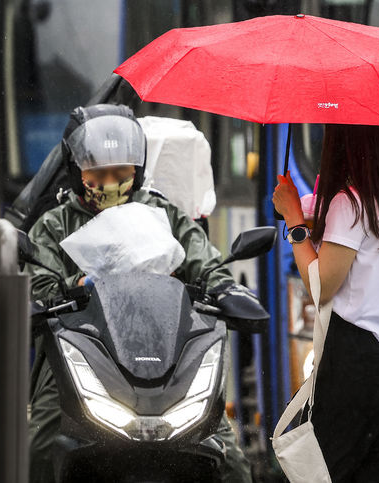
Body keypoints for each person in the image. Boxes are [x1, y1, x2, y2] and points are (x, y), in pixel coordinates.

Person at [27, 104, 253, 483]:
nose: (110, 180)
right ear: (76, 171)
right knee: (41, 446)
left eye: (121, 172)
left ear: (138, 170)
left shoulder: (162, 214)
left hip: (168, 347)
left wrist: (225, 288)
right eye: (98, 173)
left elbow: (205, 260)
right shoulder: (53, 225)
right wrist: (77, 287)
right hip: (82, 354)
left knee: (229, 458)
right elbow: (40, 285)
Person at [272, 124, 379, 482]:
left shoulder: (350, 203)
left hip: (357, 362)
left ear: (347, 142)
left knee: (327, 473)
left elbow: (321, 286)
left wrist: (294, 219)